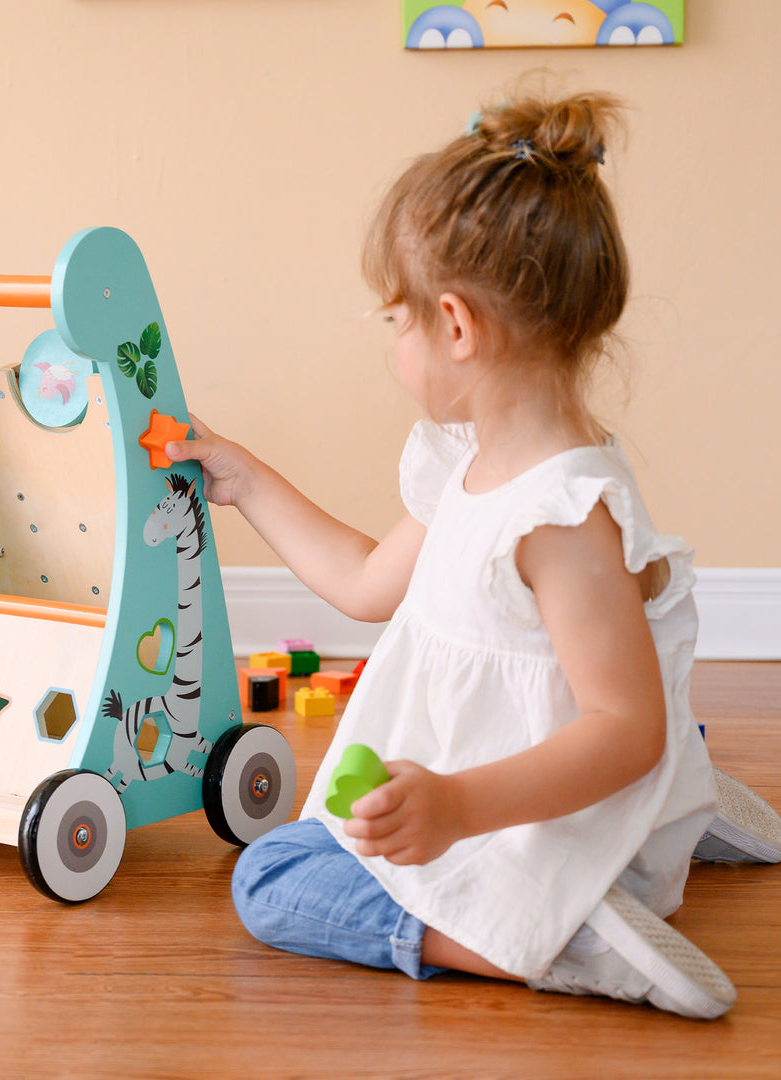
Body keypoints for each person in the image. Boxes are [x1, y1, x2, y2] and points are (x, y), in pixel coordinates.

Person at [166, 90, 748, 1018]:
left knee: (272, 876)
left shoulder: (558, 516)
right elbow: (364, 584)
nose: (394, 341)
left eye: (395, 320)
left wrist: (457, 809)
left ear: (457, 326)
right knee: (664, 749)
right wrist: (246, 479)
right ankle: (684, 804)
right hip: (511, 793)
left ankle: (569, 941)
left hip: (524, 818)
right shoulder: (473, 465)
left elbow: (626, 729)